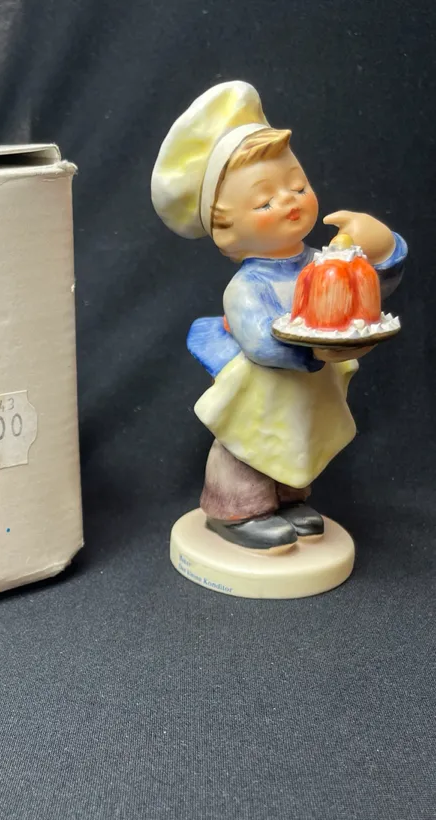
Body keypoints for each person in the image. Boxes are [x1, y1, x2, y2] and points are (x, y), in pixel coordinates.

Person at [151, 82, 406, 551]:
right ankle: (236, 509)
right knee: (250, 446)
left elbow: (365, 295)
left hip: (306, 389)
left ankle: (287, 500)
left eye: (298, 186)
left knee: (298, 440)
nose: (290, 201)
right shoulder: (248, 286)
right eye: (264, 201)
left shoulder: (326, 261)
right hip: (264, 390)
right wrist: (314, 351)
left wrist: (382, 248)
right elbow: (261, 343)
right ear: (225, 228)